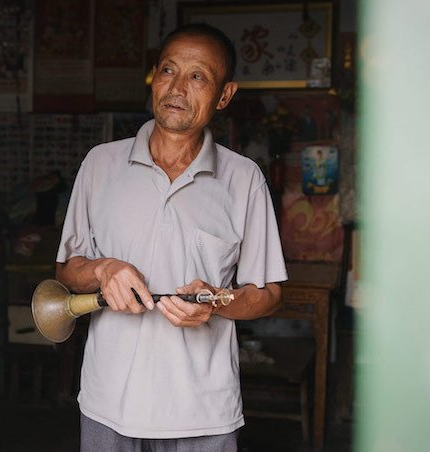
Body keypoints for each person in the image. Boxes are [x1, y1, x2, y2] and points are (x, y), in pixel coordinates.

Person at [55, 23, 287, 452]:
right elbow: (67, 273)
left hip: (203, 412)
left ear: (224, 95)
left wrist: (216, 301)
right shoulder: (101, 165)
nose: (178, 87)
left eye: (198, 76)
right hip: (109, 404)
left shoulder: (243, 179)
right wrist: (105, 268)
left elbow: (269, 293)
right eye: (168, 71)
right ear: (154, 77)